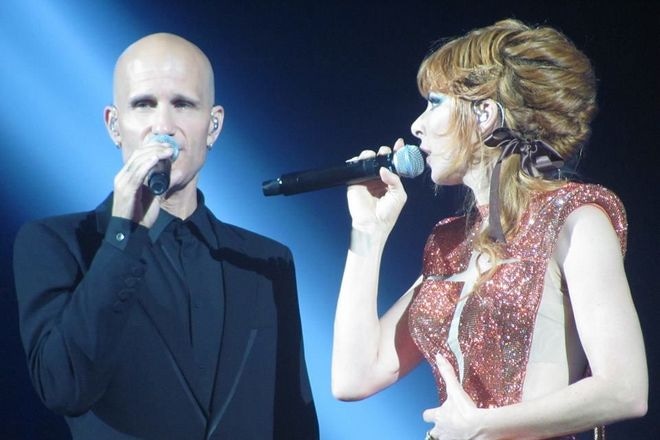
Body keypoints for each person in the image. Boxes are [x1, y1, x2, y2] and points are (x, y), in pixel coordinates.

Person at [331, 19, 647, 440]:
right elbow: (354, 376)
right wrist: (367, 233)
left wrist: (482, 426)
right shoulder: (448, 243)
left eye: (435, 102)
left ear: (484, 114)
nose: (417, 125)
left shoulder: (574, 218)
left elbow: (625, 389)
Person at [13, 33, 318, 439]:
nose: (164, 127)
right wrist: (122, 239)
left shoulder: (265, 262)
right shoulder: (59, 244)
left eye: (183, 104)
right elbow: (64, 386)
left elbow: (294, 419)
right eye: (144, 104)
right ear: (114, 125)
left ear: (213, 126)